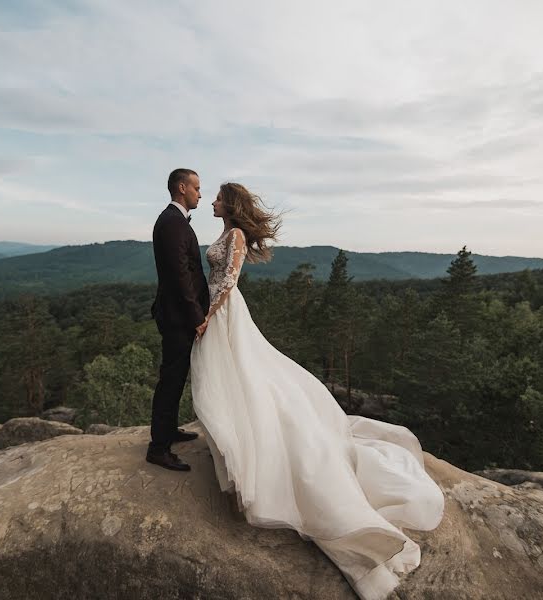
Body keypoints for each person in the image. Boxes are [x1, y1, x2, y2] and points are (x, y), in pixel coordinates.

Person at [189, 182, 445, 600]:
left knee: (237, 379)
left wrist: (205, 316)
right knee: (228, 382)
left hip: (226, 314)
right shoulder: (224, 232)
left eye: (217, 198)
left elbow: (229, 280)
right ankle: (233, 446)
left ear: (229, 204)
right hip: (218, 313)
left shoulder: (234, 235)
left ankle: (247, 456)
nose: (212, 202)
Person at [147, 168, 210, 471]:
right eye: (197, 188)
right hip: (177, 317)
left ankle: (168, 431)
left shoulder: (173, 220)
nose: (201, 193)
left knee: (175, 377)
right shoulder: (172, 222)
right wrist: (196, 316)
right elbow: (179, 277)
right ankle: (158, 448)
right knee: (171, 379)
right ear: (182, 188)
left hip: (177, 314)